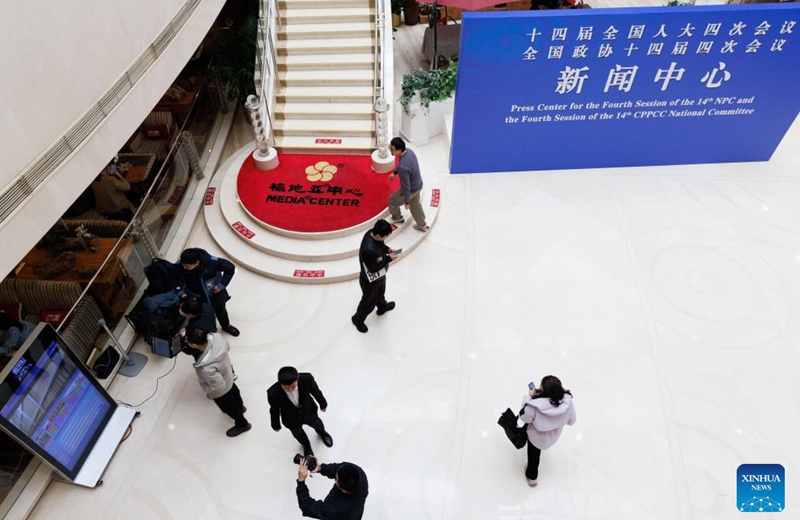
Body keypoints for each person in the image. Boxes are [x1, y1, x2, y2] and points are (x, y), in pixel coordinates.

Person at [185, 327, 251, 437]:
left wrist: (211, 393)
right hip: (228, 374)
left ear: (194, 345)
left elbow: (218, 388)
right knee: (235, 391)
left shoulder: (207, 367)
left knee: (230, 406)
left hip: (222, 390)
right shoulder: (217, 339)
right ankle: (241, 406)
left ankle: (242, 424)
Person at [519, 375, 576, 486]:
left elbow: (524, 417)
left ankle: (532, 478)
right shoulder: (568, 404)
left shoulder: (534, 406)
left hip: (535, 438)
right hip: (553, 437)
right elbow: (572, 421)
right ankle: (532, 478)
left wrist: (529, 398)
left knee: (533, 458)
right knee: (535, 455)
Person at [268, 366, 333, 456]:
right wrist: (275, 424)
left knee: (317, 423)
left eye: (293, 386)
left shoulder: (307, 379)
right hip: (290, 419)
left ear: (297, 379)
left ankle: (322, 433)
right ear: (280, 383)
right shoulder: (273, 393)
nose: (290, 390)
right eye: (286, 388)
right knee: (298, 434)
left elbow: (316, 391)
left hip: (309, 411)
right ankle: (306, 445)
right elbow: (274, 409)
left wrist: (323, 403)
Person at [176, 248, 240, 336]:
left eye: (187, 266)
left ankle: (226, 326)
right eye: (183, 265)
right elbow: (174, 278)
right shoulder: (180, 266)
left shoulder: (212, 263)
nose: (184, 268)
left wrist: (221, 285)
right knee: (199, 316)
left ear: (196, 263)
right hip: (197, 298)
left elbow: (230, 268)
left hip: (215, 295)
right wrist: (180, 291)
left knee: (221, 312)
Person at [351, 219, 398, 333]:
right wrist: (389, 258)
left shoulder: (371, 233)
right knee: (368, 302)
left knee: (381, 293)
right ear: (377, 235)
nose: (385, 238)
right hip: (370, 280)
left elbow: (380, 244)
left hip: (380, 276)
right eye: (385, 236)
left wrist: (387, 250)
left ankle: (382, 307)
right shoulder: (369, 250)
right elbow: (373, 269)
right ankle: (357, 319)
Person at [296, 459, 369, 520]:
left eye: (336, 479)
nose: (335, 479)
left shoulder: (335, 510)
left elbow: (307, 506)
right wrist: (320, 468)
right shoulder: (361, 475)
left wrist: (301, 481)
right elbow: (337, 468)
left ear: (344, 490)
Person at [387, 137, 428, 232]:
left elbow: (406, 186)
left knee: (392, 200)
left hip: (411, 189)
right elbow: (404, 164)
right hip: (418, 184)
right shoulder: (409, 151)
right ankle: (422, 224)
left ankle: (397, 217)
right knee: (416, 205)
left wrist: (406, 202)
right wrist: (394, 172)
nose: (391, 151)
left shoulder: (402, 167)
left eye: (393, 150)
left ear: (400, 150)